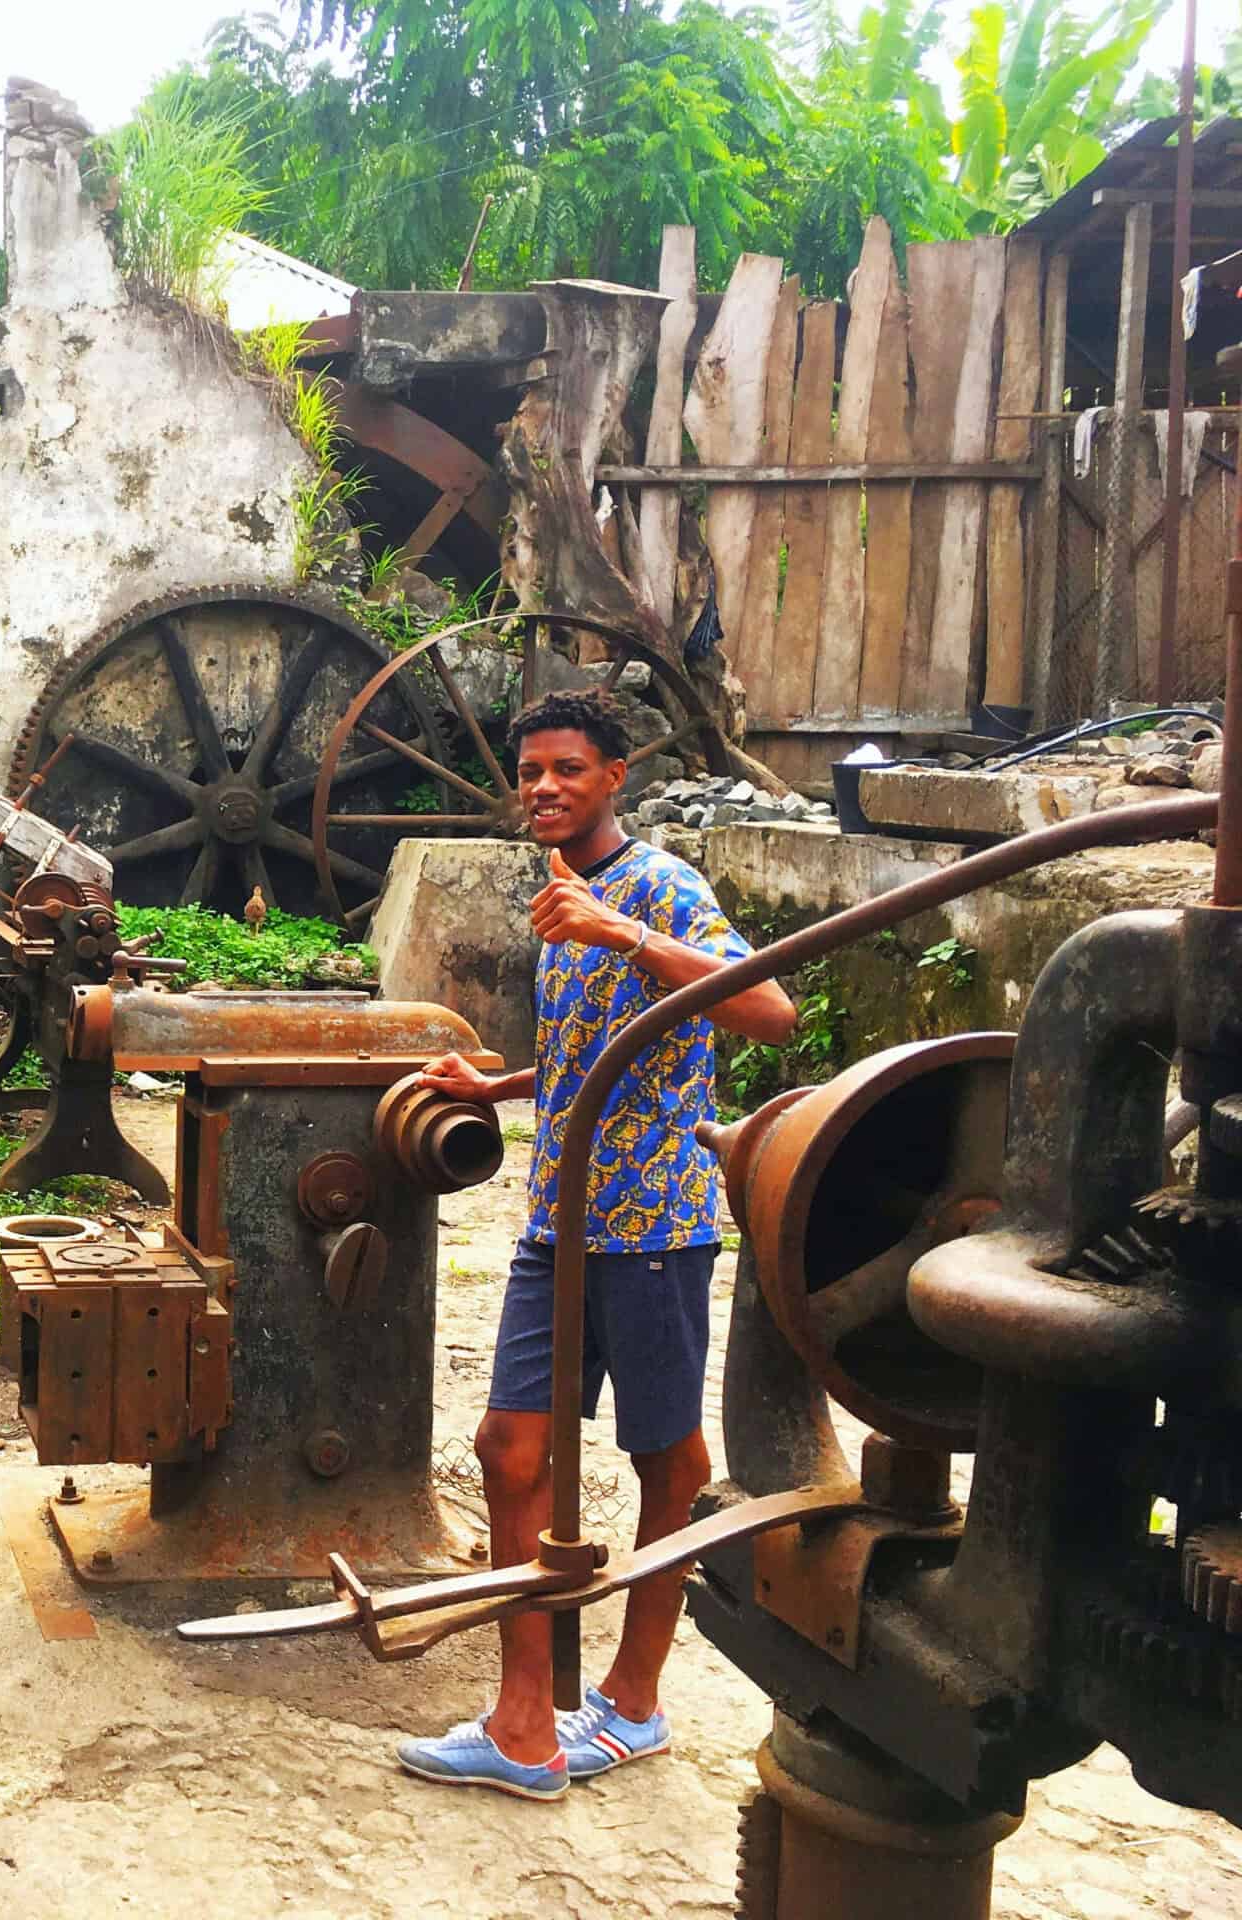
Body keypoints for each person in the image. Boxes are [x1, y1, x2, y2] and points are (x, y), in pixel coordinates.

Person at [395, 689, 797, 1801]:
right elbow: (593, 1052)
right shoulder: (555, 895)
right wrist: (501, 1081)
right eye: (530, 771)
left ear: (614, 776)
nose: (543, 788)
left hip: (653, 1228)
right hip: (554, 1225)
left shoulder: (658, 887)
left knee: (664, 1462)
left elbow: (767, 1013)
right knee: (508, 1453)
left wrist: (621, 930)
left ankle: (630, 1703)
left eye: (567, 769)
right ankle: (524, 1725)